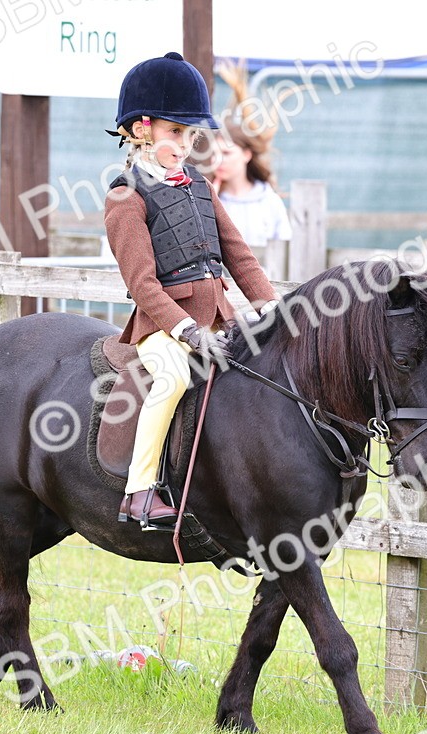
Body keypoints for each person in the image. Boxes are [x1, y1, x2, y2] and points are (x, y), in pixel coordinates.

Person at [104, 52, 280, 528]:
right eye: (176, 132)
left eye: (190, 135)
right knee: (173, 379)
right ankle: (140, 492)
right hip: (163, 328)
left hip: (219, 319)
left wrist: (272, 306)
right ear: (141, 130)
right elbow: (142, 284)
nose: (185, 145)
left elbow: (239, 255)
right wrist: (185, 330)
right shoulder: (125, 197)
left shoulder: (199, 185)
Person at [209, 119, 293, 248]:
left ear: (246, 155)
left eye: (226, 153)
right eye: (214, 154)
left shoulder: (270, 202)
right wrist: (209, 204)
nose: (218, 160)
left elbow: (285, 249)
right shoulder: (206, 200)